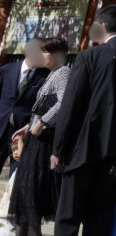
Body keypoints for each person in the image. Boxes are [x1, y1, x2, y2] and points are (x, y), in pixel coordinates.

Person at [52, 5, 116, 236]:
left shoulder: (90, 56)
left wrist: (58, 149)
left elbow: (71, 106)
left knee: (68, 214)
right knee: (101, 215)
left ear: (103, 26)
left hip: (82, 147)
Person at [7, 38, 70, 236]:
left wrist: (42, 123)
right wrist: (28, 127)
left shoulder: (63, 73)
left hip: (44, 145)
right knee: (25, 202)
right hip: (35, 142)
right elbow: (40, 110)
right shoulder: (52, 75)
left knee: (32, 201)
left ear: (51, 54)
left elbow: (63, 104)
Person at [0, 39, 50, 176]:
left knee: (16, 174)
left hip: (21, 132)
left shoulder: (45, 76)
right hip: (1, 126)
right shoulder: (6, 70)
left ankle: (11, 198)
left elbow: (43, 106)